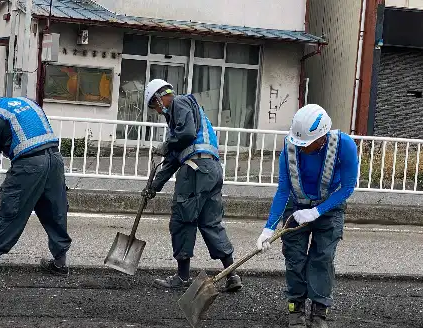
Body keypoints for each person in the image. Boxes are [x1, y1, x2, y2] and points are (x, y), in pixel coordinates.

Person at [256, 104, 358, 328]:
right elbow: (283, 190)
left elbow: (348, 187)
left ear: (322, 137)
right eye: (298, 143)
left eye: (306, 144)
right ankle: (296, 307)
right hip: (297, 207)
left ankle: (319, 311)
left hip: (329, 207)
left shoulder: (345, 146)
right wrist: (269, 228)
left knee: (322, 257)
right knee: (294, 257)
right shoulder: (290, 147)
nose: (301, 148)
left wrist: (317, 211)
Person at [0, 82, 72, 277]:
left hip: (30, 165)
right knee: (54, 210)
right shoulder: (27, 102)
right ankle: (60, 264)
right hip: (55, 160)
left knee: (10, 210)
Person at [140, 79, 242, 292]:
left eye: (155, 105)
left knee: (182, 219)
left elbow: (185, 137)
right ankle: (232, 274)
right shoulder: (188, 114)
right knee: (210, 223)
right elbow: (172, 161)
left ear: (160, 97)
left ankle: (183, 277)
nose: (157, 111)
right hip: (211, 169)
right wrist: (154, 187)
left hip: (195, 169)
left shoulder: (179, 103)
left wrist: (167, 145)